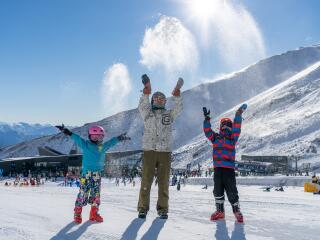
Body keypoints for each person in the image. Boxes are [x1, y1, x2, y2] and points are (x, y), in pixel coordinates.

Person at [56, 124, 130, 224]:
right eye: (94, 136)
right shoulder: (85, 144)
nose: (97, 139)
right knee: (83, 193)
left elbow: (111, 142)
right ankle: (77, 212)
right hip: (86, 174)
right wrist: (66, 131)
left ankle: (94, 213)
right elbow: (76, 138)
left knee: (96, 195)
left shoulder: (102, 146)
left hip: (97, 175)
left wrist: (119, 138)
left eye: (100, 136)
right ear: (89, 136)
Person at [137, 74, 183, 219]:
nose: (159, 100)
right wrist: (146, 91)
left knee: (164, 182)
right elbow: (142, 105)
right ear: (152, 101)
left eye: (162, 98)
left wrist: (177, 95)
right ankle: (143, 208)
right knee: (146, 180)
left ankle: (163, 209)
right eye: (156, 98)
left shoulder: (169, 114)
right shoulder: (147, 114)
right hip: (149, 150)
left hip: (165, 152)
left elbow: (178, 108)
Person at [203, 103, 247, 223]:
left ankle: (236, 211)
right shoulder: (215, 138)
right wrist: (206, 120)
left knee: (232, 190)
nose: (226, 127)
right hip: (218, 170)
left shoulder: (233, 138)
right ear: (221, 127)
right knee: (218, 190)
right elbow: (207, 132)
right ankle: (220, 211)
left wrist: (238, 115)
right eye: (224, 125)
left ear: (231, 127)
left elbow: (237, 127)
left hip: (228, 170)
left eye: (228, 125)